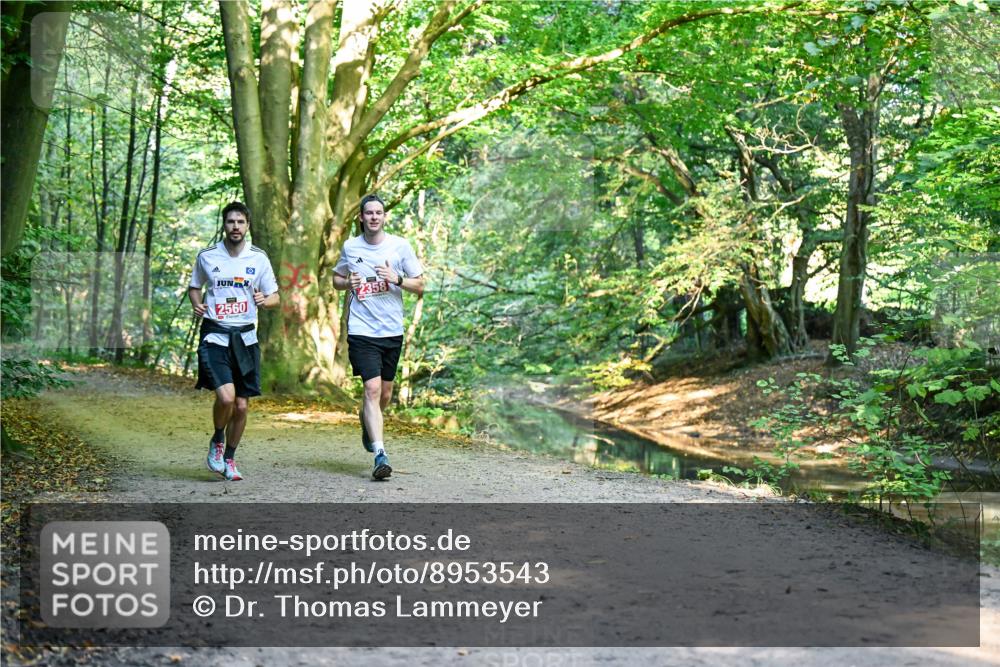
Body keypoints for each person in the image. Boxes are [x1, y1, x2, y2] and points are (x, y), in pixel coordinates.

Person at [333, 194, 424, 480]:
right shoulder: (350, 247)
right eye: (368, 213)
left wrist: (396, 279)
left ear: (384, 217)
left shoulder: (400, 247)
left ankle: (368, 424)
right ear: (360, 217)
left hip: (391, 331)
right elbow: (337, 279)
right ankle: (380, 454)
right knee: (371, 390)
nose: (373, 217)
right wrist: (347, 282)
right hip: (362, 330)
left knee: (384, 394)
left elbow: (421, 286)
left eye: (378, 213)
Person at [188, 201, 279, 481]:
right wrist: (197, 304)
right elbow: (195, 287)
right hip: (215, 335)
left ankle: (230, 458)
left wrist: (266, 300)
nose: (235, 227)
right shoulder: (208, 256)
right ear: (224, 225)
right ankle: (217, 440)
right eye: (230, 222)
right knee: (226, 398)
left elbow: (275, 297)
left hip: (245, 338)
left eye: (240, 222)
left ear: (247, 225)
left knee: (241, 405)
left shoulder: (258, 258)